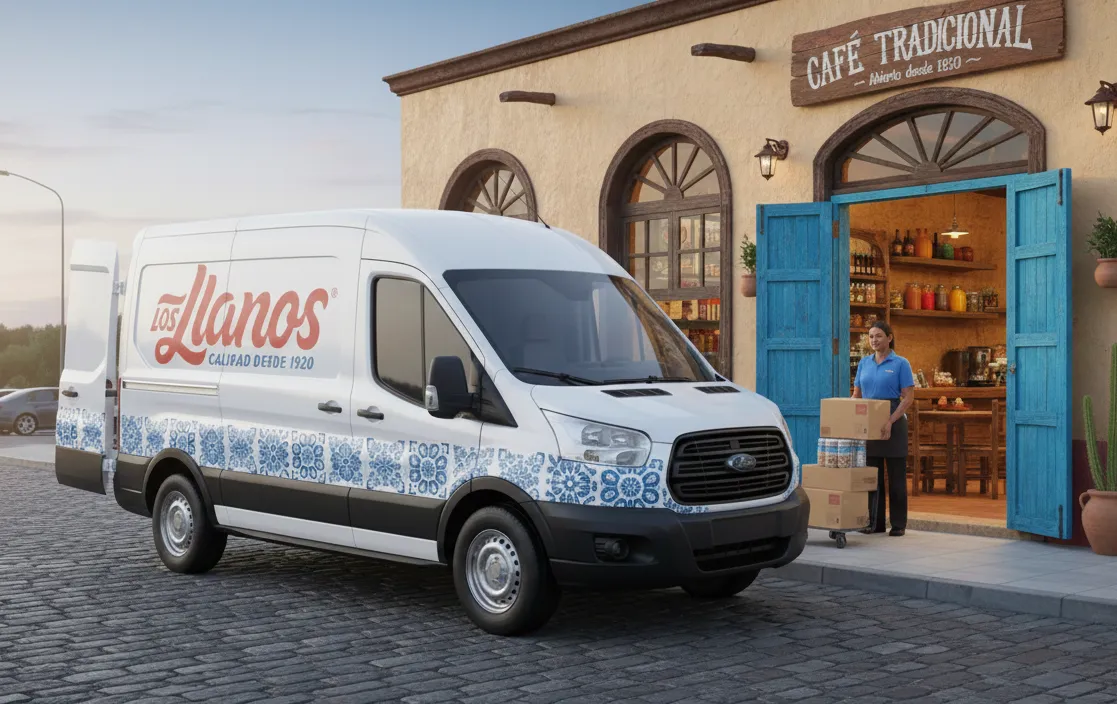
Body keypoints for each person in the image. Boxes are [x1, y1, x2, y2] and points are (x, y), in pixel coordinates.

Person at [852, 320, 914, 536]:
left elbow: (908, 397)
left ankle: (898, 524)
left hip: (894, 423)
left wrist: (890, 421)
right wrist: (851, 419)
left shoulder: (901, 363)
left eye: (878, 335)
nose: (874, 340)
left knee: (896, 478)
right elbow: (856, 396)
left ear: (889, 337)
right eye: (871, 336)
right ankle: (875, 523)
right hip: (870, 426)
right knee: (873, 477)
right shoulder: (864, 363)